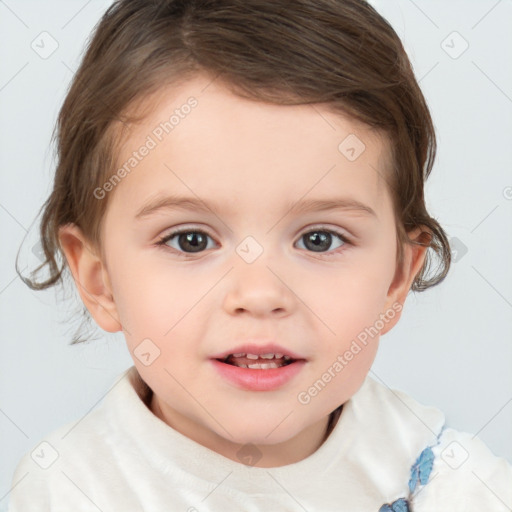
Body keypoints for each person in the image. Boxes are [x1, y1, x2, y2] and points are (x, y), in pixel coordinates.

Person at [9, 0, 512, 510]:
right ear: (99, 280)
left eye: (320, 239)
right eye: (191, 240)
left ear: (396, 279)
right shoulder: (68, 490)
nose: (260, 294)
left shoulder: (448, 486)